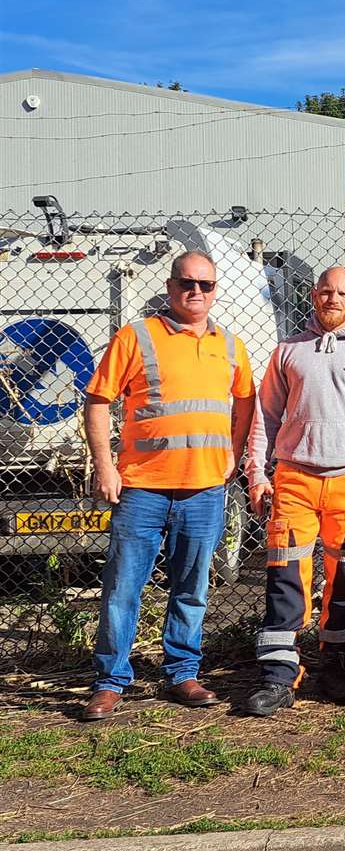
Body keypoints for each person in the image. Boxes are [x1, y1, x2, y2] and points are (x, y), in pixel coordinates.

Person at [81, 251, 256, 721]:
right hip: (142, 488)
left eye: (206, 284)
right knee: (122, 588)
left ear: (215, 289)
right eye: (187, 283)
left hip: (203, 491)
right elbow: (97, 401)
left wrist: (232, 458)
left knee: (192, 587)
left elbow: (246, 405)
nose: (196, 291)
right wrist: (105, 465)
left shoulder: (231, 345)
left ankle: (182, 672)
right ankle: (111, 680)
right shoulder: (136, 336)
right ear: (171, 284)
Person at [242, 266, 345, 717]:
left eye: (342, 293)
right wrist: (257, 474)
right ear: (314, 296)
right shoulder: (288, 351)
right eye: (326, 291)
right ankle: (278, 677)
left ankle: (339, 668)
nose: (333, 299)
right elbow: (265, 418)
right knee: (286, 578)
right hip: (293, 479)